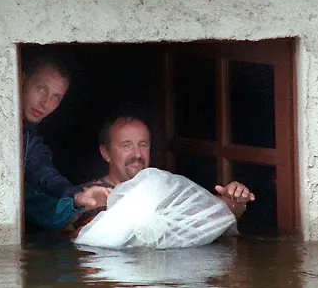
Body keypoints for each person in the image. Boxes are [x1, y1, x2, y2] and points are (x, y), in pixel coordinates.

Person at [81, 115, 255, 224]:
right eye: (126, 145)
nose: (137, 153)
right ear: (106, 153)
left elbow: (211, 221)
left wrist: (234, 201)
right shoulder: (88, 197)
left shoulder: (164, 190)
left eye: (143, 145)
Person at [21, 56, 109, 232]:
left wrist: (76, 195)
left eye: (56, 97)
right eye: (40, 88)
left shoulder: (30, 138)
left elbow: (43, 173)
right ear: (22, 80)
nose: (45, 103)